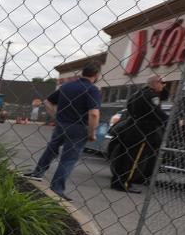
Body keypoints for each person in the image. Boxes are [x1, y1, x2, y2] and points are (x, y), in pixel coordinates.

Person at [24, 63, 102, 200]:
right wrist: (92, 132)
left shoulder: (66, 86)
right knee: (69, 158)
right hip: (79, 127)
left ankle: (38, 172)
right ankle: (57, 187)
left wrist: (56, 117)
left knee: (52, 147)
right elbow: (94, 114)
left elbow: (48, 102)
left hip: (62, 124)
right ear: (96, 75)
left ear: (82, 73)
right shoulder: (92, 90)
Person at [109, 73, 170, 192]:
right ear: (155, 83)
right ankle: (126, 183)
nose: (164, 86)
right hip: (142, 131)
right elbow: (156, 113)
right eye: (163, 83)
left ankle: (117, 181)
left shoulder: (138, 93)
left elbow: (130, 108)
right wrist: (169, 121)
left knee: (123, 157)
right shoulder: (151, 96)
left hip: (130, 127)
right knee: (134, 159)